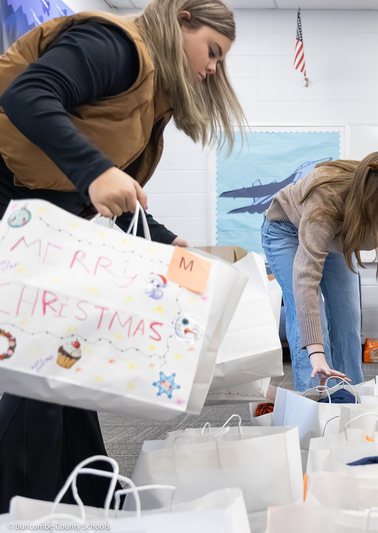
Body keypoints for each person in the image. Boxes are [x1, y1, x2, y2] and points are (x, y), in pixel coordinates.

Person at [0, 0, 246, 511]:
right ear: (182, 20)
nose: (212, 68)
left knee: (67, 368)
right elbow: (26, 94)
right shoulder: (115, 46)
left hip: (39, 214)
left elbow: (111, 192)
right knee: (42, 367)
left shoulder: (151, 93)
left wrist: (162, 240)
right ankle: (22, 506)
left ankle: (87, 499)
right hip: (14, 206)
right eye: (212, 51)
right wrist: (94, 170)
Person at [262, 151, 378, 391]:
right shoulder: (327, 196)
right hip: (287, 231)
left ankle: (352, 395)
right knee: (310, 314)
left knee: (348, 316)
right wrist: (317, 354)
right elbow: (306, 278)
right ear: (363, 194)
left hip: (337, 238)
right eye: (377, 206)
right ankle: (314, 395)